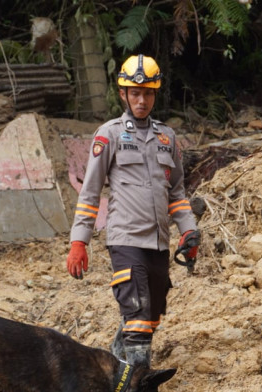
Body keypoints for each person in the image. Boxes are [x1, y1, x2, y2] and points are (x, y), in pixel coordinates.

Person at [66, 54, 200, 367]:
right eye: (135, 93)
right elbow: (90, 191)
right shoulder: (108, 134)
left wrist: (189, 230)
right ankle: (138, 385)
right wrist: (79, 241)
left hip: (158, 241)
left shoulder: (167, 138)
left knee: (150, 315)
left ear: (156, 94)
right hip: (125, 239)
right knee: (138, 315)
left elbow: (177, 193)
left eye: (148, 94)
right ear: (123, 93)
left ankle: (116, 357)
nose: (142, 100)